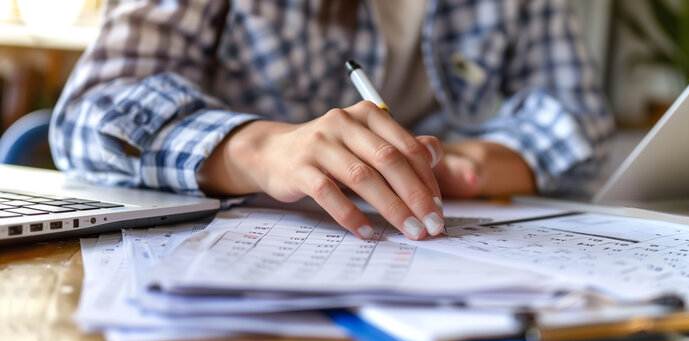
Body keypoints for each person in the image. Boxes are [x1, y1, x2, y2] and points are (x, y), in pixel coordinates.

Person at [50, 0, 613, 241]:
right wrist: (259, 150)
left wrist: (476, 166)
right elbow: (89, 111)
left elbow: (579, 116)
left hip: (423, 243)